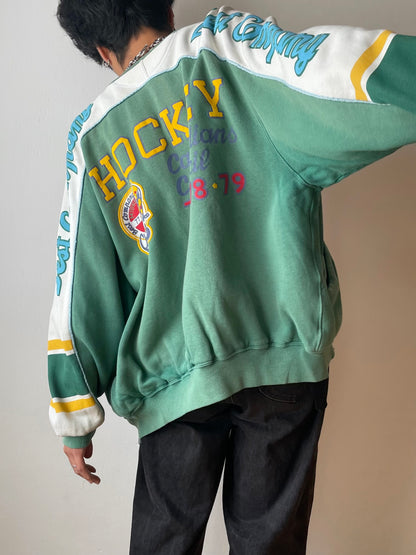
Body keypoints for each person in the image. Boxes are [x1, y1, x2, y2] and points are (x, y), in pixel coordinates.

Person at [48, 1, 416, 553]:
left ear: (102, 51)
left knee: (164, 543)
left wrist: (73, 413)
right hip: (283, 363)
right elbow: (342, 72)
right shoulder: (234, 51)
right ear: (166, 7)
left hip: (173, 379)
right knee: (270, 543)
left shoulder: (95, 136)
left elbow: (80, 284)